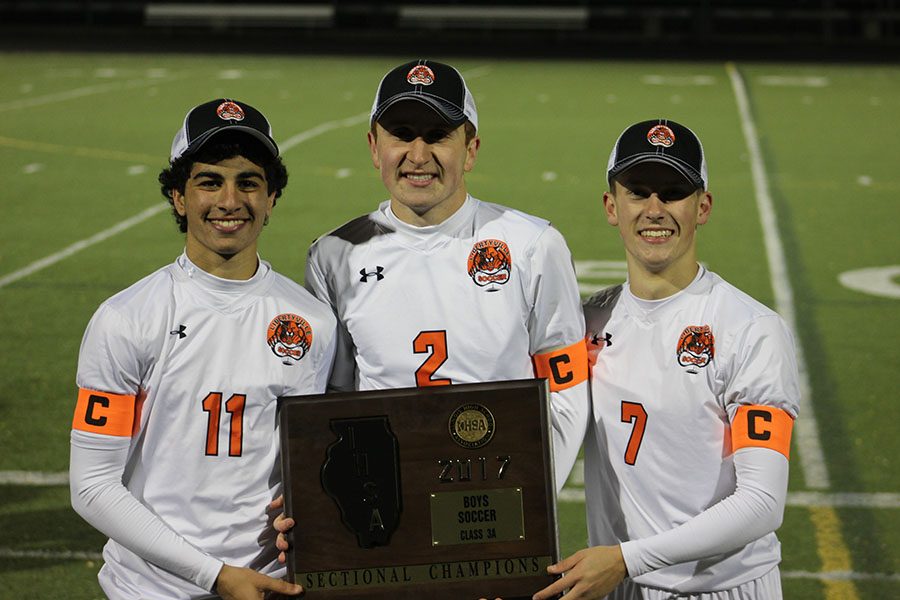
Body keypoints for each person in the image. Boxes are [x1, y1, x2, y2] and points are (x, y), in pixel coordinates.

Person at [69, 98, 337, 600]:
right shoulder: (127, 319)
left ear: (272, 196)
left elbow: (312, 458)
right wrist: (214, 575)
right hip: (151, 590)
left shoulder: (314, 321)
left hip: (273, 585)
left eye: (249, 182)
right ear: (178, 196)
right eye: (209, 181)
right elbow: (92, 486)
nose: (230, 200)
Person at [533, 119, 801, 599]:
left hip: (722, 589)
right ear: (611, 207)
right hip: (619, 585)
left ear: (704, 207)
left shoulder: (750, 329)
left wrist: (625, 558)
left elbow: (762, 502)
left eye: (674, 192)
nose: (654, 210)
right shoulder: (585, 325)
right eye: (637, 191)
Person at [302, 59, 590, 487]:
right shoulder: (334, 255)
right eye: (401, 135)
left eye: (438, 136)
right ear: (373, 147)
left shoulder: (533, 245)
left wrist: (534, 495)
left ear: (470, 149)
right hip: (388, 507)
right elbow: (333, 400)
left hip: (500, 499)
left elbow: (566, 390)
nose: (418, 156)